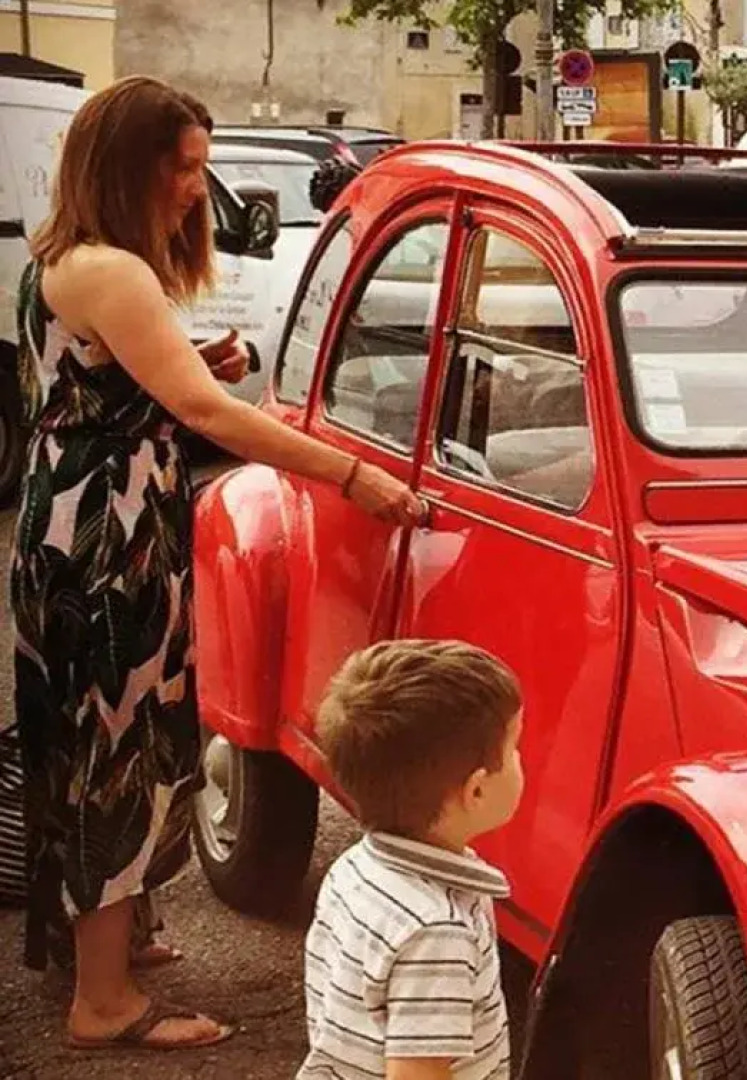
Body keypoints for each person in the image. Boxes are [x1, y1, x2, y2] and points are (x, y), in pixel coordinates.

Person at [13, 75, 424, 1050]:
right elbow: (202, 415)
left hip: (79, 518)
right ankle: (101, 1003)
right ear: (129, 167)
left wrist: (195, 356)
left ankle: (104, 947)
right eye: (186, 168)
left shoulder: (63, 257)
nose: (199, 188)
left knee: (87, 741)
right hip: (105, 538)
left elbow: (122, 382)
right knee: (110, 751)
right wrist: (351, 474)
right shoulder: (113, 268)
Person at [301, 639, 524, 1080]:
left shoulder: (356, 868)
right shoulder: (437, 930)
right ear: (475, 790)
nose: (520, 759)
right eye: (515, 747)